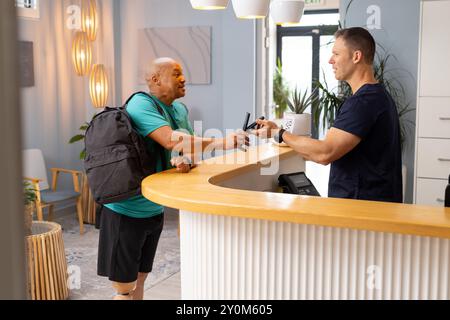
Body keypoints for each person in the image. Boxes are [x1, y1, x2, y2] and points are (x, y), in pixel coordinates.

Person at [97, 57, 249, 300]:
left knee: (141, 277)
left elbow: (186, 148)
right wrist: (222, 142)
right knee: (123, 288)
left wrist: (184, 159)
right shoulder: (140, 104)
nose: (183, 78)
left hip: (153, 208)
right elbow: (170, 140)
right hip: (125, 210)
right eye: (176, 74)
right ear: (156, 80)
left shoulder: (179, 109)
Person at [253, 27, 403, 203]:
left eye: (336, 54)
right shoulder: (379, 96)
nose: (330, 60)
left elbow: (324, 153)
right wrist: (280, 134)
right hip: (371, 207)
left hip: (361, 211)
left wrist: (280, 134)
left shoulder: (363, 102)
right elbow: (318, 153)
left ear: (356, 56)